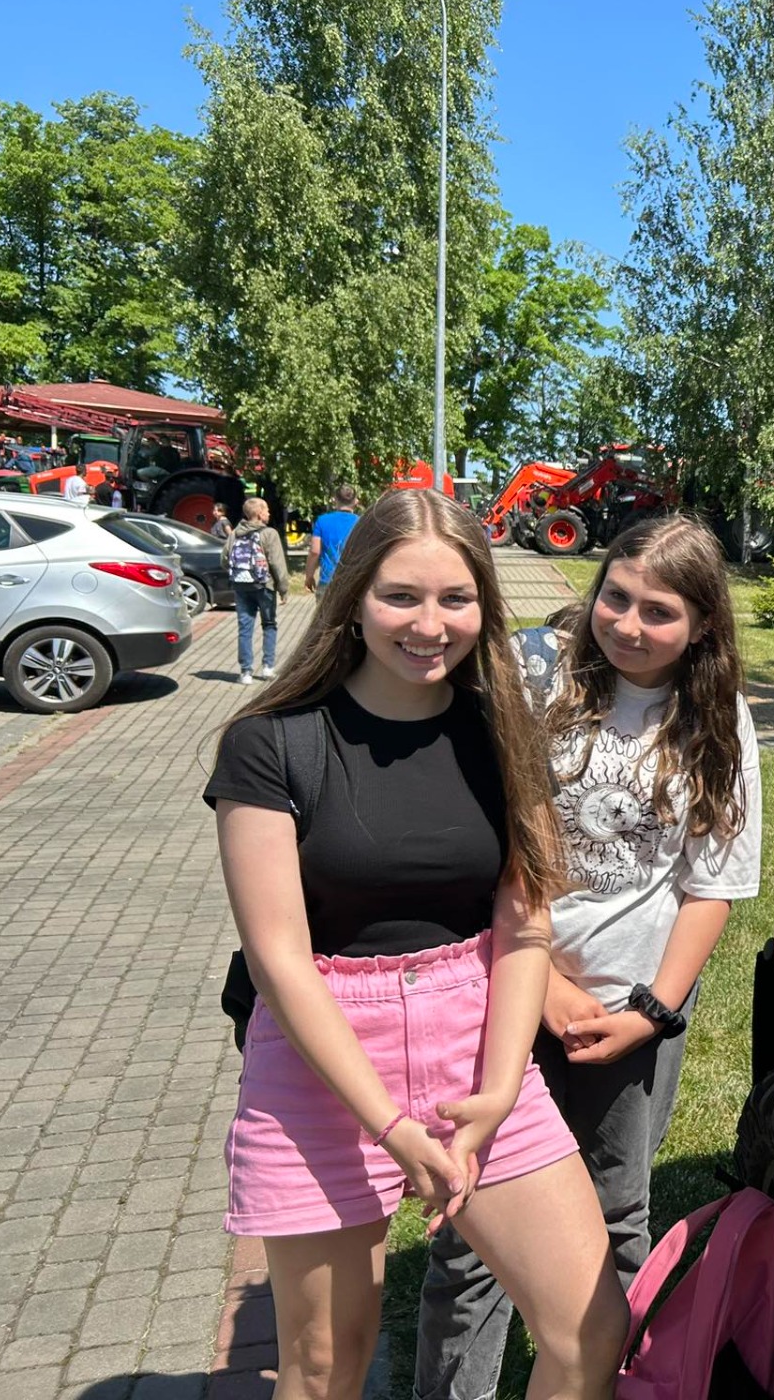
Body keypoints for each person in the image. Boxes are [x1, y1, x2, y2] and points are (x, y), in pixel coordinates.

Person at [203, 487, 627, 1400]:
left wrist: (499, 1090)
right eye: (401, 596)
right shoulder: (270, 744)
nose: (430, 625)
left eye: (455, 598)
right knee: (325, 1364)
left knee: (590, 1330)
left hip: (473, 1042)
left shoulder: (504, 731)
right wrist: (390, 1128)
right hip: (321, 1055)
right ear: (353, 596)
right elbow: (278, 959)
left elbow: (523, 922)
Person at [416, 513, 764, 1399]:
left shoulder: (717, 720)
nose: (628, 625)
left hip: (633, 1012)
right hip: (505, 993)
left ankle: (604, 1380)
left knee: (617, 1214)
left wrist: (651, 1012)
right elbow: (481, 844)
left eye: (659, 612)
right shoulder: (541, 681)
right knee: (474, 1227)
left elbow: (712, 884)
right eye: (616, 597)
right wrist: (544, 989)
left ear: (702, 626)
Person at [229, 498, 289, 684]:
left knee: (244, 628)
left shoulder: (235, 533)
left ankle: (245, 672)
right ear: (259, 514)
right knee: (269, 624)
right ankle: (268, 668)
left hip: (241, 585)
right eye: (267, 510)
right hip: (264, 586)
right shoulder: (269, 533)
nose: (269, 513)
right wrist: (283, 588)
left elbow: (224, 558)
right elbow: (277, 563)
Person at [307, 485, 361, 592]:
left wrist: (309, 576)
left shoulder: (322, 521)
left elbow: (315, 552)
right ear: (355, 501)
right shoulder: (361, 522)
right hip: (353, 582)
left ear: (335, 500)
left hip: (328, 581)